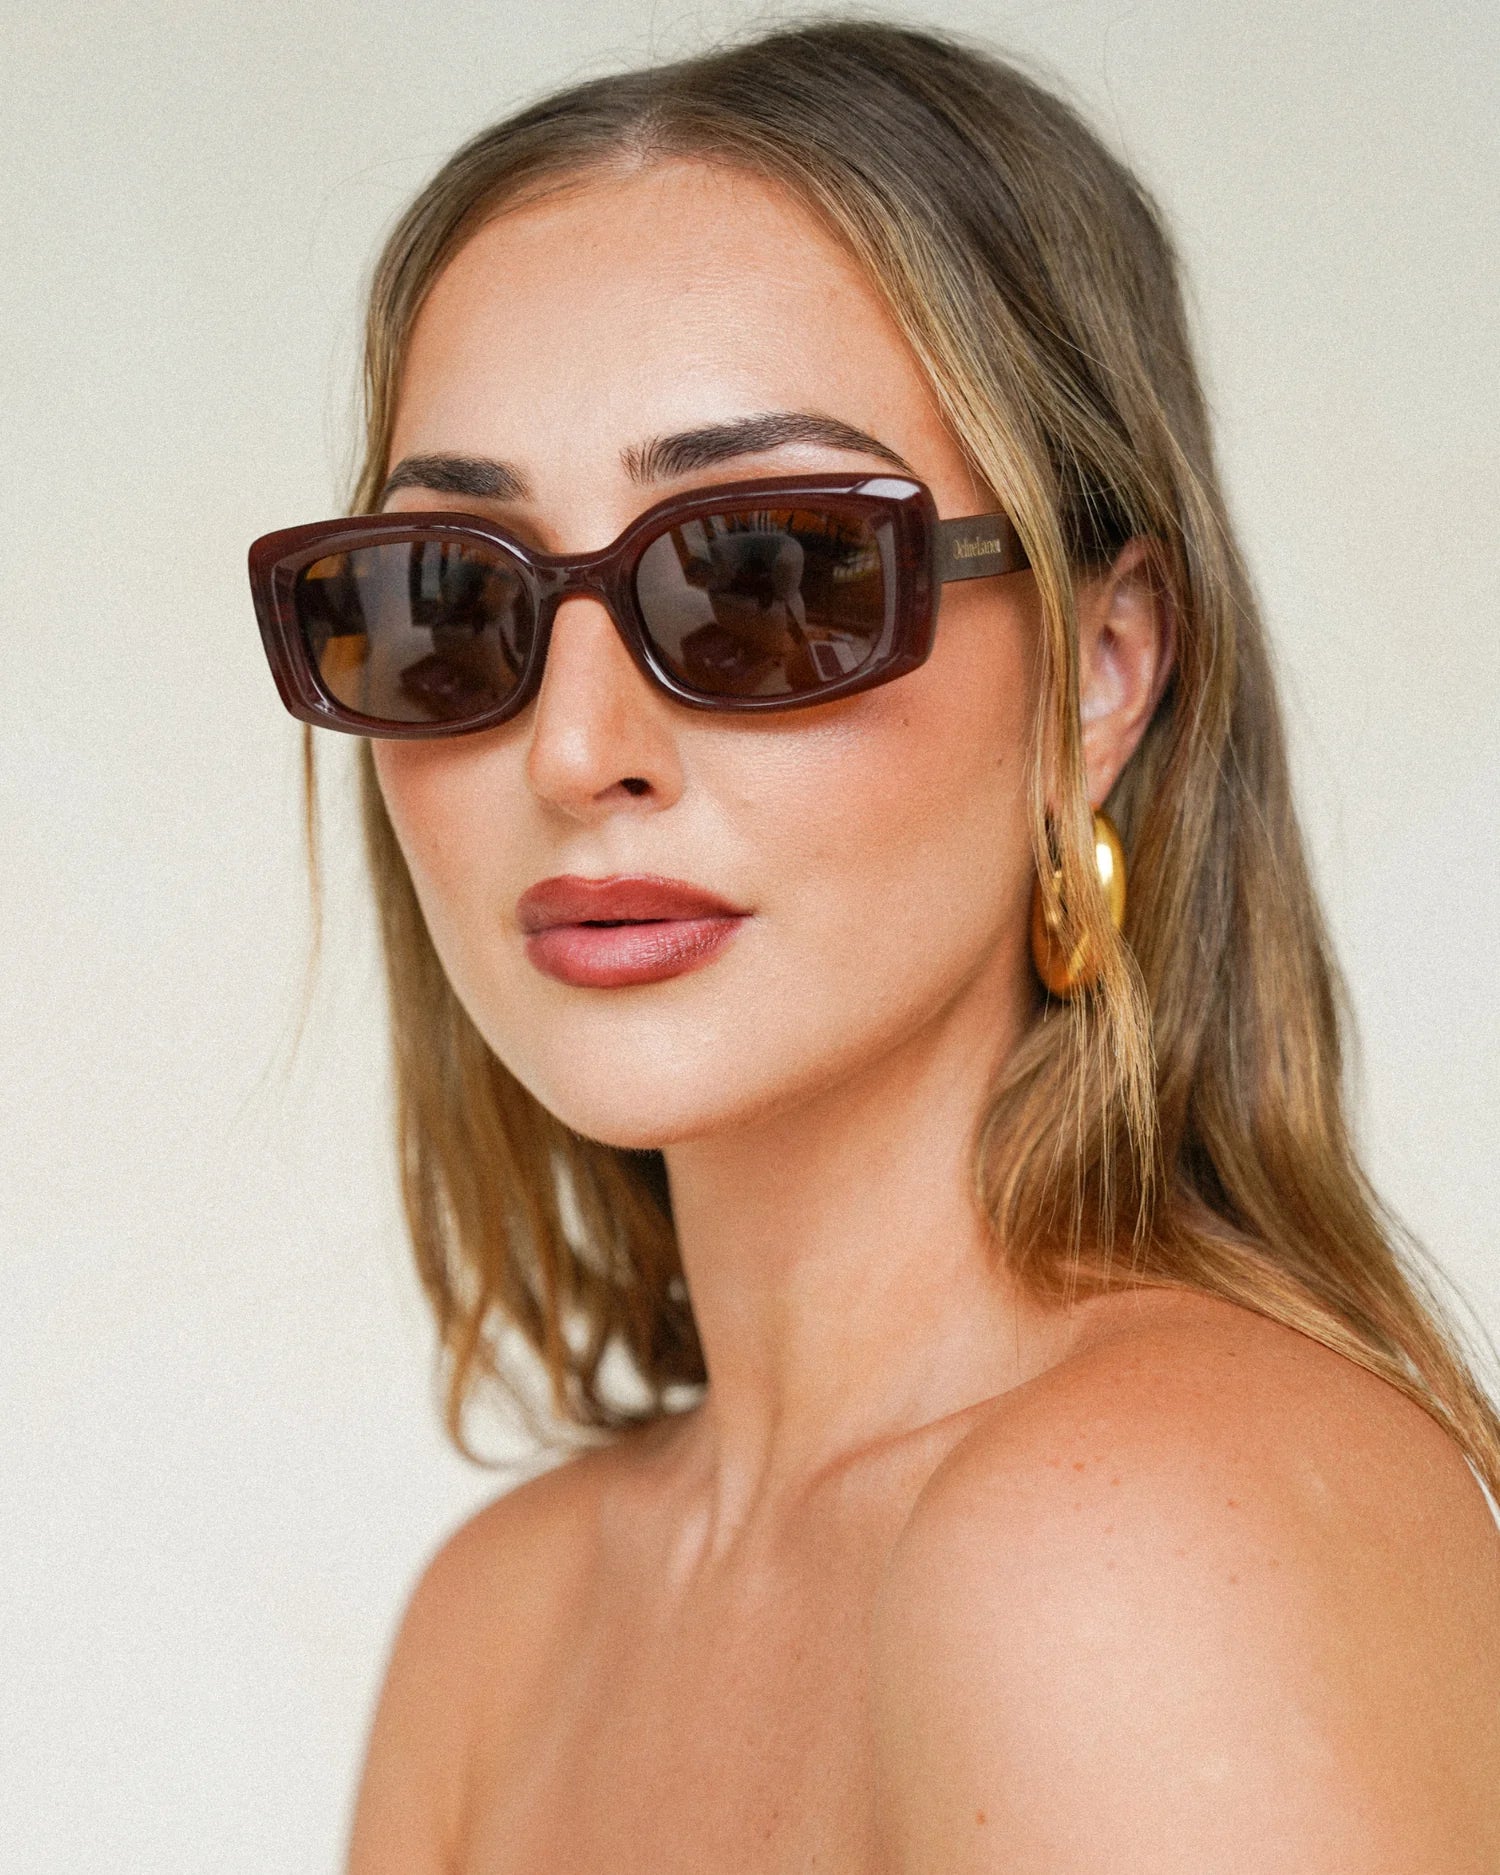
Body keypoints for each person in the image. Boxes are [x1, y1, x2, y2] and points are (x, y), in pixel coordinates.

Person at [248, 20, 1500, 1870]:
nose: (575, 750)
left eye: (766, 576)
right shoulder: (501, 1627)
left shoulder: (1138, 1539)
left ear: (1099, 671)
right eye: (448, 598)